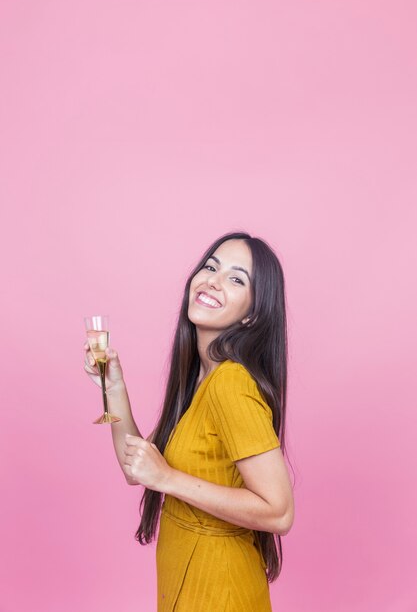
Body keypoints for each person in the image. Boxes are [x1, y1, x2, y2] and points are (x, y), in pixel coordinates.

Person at [83, 231, 294, 611]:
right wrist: (113, 386)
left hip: (218, 588)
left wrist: (167, 478)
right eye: (211, 266)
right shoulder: (201, 379)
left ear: (253, 313)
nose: (213, 279)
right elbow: (138, 470)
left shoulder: (230, 383)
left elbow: (279, 512)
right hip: (187, 578)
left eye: (235, 278)